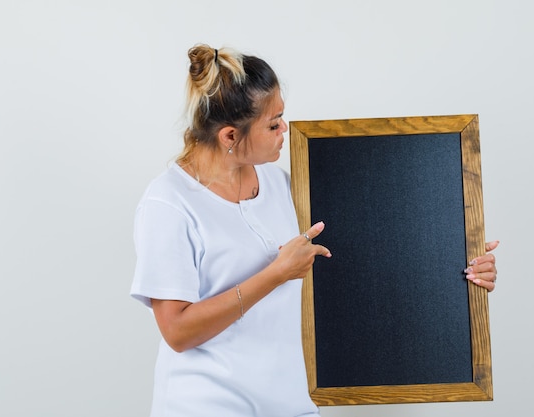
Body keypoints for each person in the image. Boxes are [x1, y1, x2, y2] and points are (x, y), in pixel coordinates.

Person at [130, 44, 499, 417]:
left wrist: (455, 258)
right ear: (229, 137)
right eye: (273, 124)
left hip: (290, 403)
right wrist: (275, 274)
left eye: (282, 117)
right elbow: (177, 332)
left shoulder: (284, 185)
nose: (284, 130)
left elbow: (370, 250)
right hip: (208, 406)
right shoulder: (169, 203)